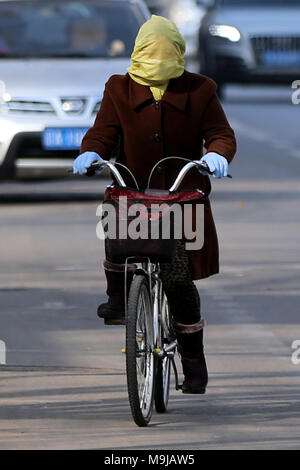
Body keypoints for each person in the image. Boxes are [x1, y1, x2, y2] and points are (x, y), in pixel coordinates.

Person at [73, 15, 236, 394]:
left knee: (179, 279)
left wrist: (217, 154)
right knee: (116, 221)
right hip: (136, 191)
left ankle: (193, 362)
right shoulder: (119, 88)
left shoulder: (200, 90)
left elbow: (220, 133)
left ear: (178, 54)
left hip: (182, 197)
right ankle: (117, 295)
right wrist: (90, 153)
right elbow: (102, 132)